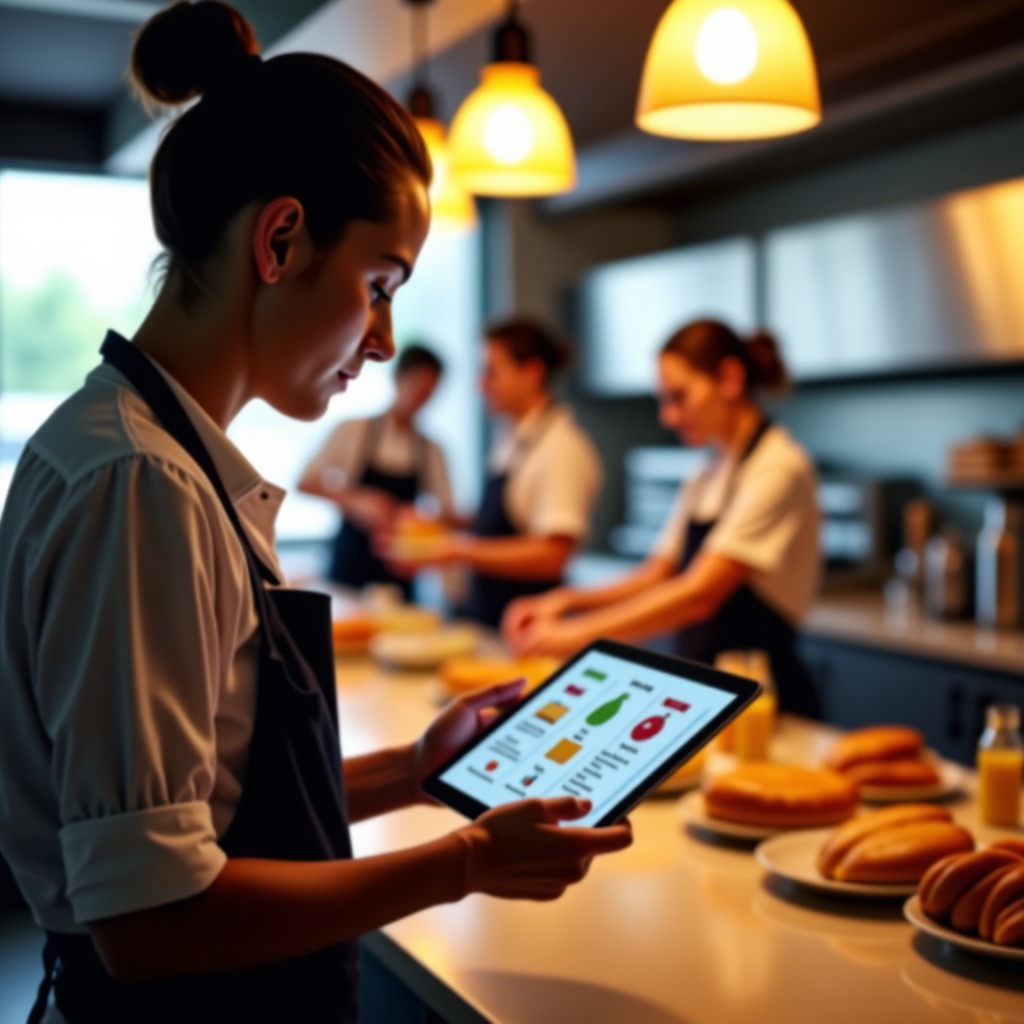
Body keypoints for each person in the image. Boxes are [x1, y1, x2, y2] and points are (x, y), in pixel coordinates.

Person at [0, 5, 631, 1023]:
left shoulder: (147, 453)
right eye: (379, 284)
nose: (383, 340)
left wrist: (414, 772)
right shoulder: (142, 484)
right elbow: (151, 919)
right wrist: (465, 860)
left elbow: (208, 804)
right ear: (282, 239)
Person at [503, 319, 822, 718]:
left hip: (763, 703)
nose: (667, 417)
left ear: (730, 378)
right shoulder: (707, 471)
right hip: (706, 695)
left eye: (678, 397)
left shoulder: (779, 466)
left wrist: (575, 635)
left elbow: (699, 594)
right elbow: (657, 572)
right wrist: (566, 602)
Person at [385, 318, 603, 628]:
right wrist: (438, 524)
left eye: (491, 372)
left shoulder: (561, 447)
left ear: (531, 373)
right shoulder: (512, 438)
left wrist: (456, 551)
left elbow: (553, 555)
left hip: (526, 629)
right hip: (489, 621)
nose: (481, 385)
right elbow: (499, 524)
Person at [297, 342, 453, 599]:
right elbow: (305, 482)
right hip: (348, 570)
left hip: (399, 579)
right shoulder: (352, 430)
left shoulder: (432, 451)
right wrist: (356, 501)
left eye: (429, 392)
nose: (421, 398)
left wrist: (419, 521)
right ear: (398, 379)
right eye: (417, 386)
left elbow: (447, 514)